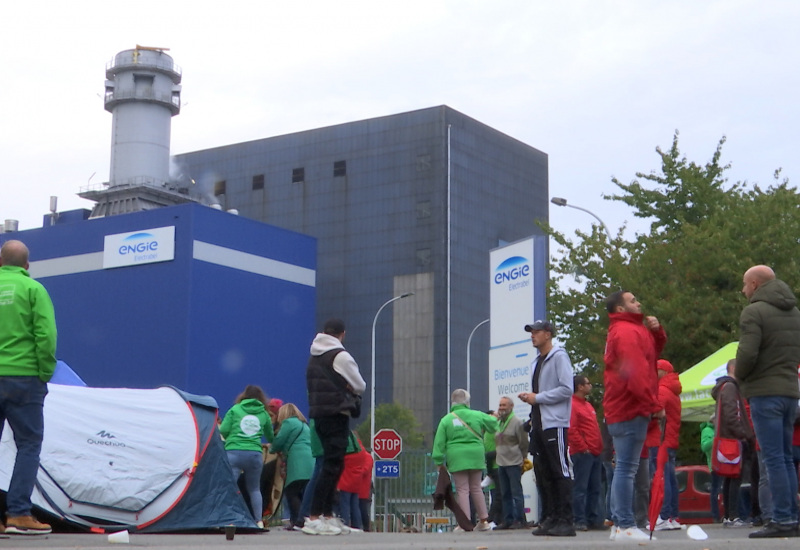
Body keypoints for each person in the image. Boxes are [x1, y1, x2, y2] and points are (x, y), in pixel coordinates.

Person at [735, 265, 800, 538]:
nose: (743, 290)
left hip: (764, 392)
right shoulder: (795, 312)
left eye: (744, 285)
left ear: (754, 284)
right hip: (789, 392)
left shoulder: (754, 311)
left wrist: (739, 376)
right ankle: (792, 517)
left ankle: (781, 518)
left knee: (772, 459)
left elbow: (747, 353)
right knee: (786, 458)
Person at [0, 240, 57, 535]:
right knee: (29, 444)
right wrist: (44, 373)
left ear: (0, 262)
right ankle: (19, 514)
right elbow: (46, 335)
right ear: (26, 265)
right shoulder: (33, 290)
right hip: (24, 379)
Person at [603, 290, 666, 542]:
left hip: (624, 408)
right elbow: (636, 372)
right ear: (620, 308)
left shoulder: (629, 329)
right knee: (627, 469)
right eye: (632, 301)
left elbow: (650, 357)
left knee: (625, 468)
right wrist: (653, 404)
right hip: (629, 408)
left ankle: (621, 524)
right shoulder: (627, 332)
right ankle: (625, 524)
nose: (638, 302)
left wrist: (657, 332)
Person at [303, 318, 366, 536]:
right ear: (343, 334)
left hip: (318, 415)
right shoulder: (341, 355)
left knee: (332, 465)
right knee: (332, 466)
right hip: (337, 414)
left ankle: (327, 516)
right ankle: (314, 517)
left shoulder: (314, 357)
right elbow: (360, 385)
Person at [518, 320, 575, 537]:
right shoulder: (537, 361)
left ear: (548, 334)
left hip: (555, 423)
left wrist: (538, 398)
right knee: (543, 473)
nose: (532, 335)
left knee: (560, 470)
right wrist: (533, 404)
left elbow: (566, 388)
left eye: (537, 332)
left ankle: (566, 520)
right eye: (531, 332)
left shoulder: (559, 356)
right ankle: (551, 517)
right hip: (540, 423)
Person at [432, 388, 498, 532]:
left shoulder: (446, 420)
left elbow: (439, 443)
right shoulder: (477, 415)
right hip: (476, 454)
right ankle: (484, 521)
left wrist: (438, 461)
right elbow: (494, 424)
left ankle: (464, 523)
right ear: (467, 402)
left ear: (452, 402)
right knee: (476, 487)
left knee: (462, 489)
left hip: (457, 457)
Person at [219, 384, 273, 528]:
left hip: (234, 453)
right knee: (255, 489)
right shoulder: (264, 414)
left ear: (244, 395)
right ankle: (258, 521)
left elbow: (223, 430)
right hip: (254, 454)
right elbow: (270, 436)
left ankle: (226, 519)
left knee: (230, 487)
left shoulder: (235, 410)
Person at [711, 359, 754, 528]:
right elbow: (731, 414)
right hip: (733, 439)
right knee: (734, 477)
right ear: (734, 368)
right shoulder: (730, 387)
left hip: (727, 438)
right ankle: (733, 515)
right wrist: (743, 434)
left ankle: (729, 516)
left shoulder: (723, 387)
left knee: (729, 478)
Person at [650, 359, 683, 531]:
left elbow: (657, 412)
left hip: (661, 439)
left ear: (662, 371)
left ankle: (663, 516)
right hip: (671, 439)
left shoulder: (662, 390)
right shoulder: (674, 390)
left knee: (663, 479)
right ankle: (672, 516)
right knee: (671, 478)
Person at [569, 375, 604, 531]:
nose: (591, 386)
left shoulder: (588, 405)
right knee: (581, 488)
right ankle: (579, 520)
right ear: (580, 387)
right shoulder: (572, 405)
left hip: (595, 452)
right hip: (583, 453)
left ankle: (593, 519)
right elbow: (572, 429)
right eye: (588, 383)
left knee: (595, 488)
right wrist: (583, 447)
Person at [271, 403, 313, 530]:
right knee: (302, 493)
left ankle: (299, 522)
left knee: (291, 492)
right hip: (310, 461)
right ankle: (301, 520)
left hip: (297, 460)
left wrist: (273, 448)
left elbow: (279, 441)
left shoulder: (288, 423)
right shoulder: (304, 425)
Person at [493, 396, 529, 530]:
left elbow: (524, 442)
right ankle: (507, 520)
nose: (501, 408)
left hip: (514, 462)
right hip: (501, 462)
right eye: (500, 405)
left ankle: (520, 520)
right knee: (505, 493)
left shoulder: (517, 422)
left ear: (511, 407)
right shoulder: (499, 422)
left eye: (504, 405)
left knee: (516, 493)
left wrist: (523, 458)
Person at [700, 416, 721, 523]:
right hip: (714, 464)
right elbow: (704, 447)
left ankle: (720, 514)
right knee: (715, 489)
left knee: (718, 489)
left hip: (722, 462)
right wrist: (715, 439)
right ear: (712, 420)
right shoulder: (707, 430)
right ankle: (715, 515)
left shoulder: (719, 429)